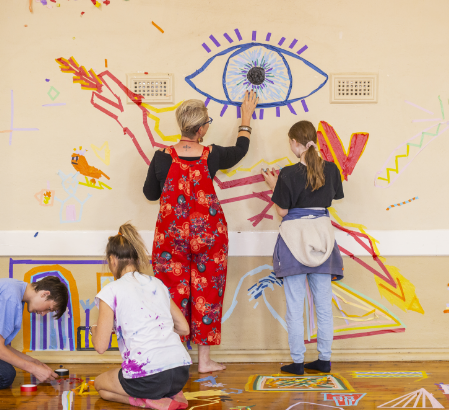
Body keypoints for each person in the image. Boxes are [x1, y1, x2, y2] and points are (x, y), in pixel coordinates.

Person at [143, 91, 258, 373]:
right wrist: (246, 118)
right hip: (210, 235)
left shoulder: (161, 157)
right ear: (202, 128)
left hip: (171, 237)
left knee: (172, 293)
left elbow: (149, 193)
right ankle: (204, 361)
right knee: (207, 293)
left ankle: (179, 358)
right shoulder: (213, 154)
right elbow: (240, 150)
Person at [260, 120, 345, 375]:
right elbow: (331, 198)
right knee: (323, 306)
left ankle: (297, 362)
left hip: (293, 240)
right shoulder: (331, 170)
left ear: (295, 143)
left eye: (290, 142)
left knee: (295, 306)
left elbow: (283, 211)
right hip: (323, 239)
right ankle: (325, 360)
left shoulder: (287, 173)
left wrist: (272, 186)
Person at [91, 223, 192, 410]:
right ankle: (170, 394)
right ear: (136, 259)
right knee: (108, 391)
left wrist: (94, 331)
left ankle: (149, 401)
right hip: (180, 372)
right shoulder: (157, 284)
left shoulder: (110, 290)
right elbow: (184, 328)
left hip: (148, 378)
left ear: (113, 260)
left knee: (100, 385)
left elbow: (100, 347)